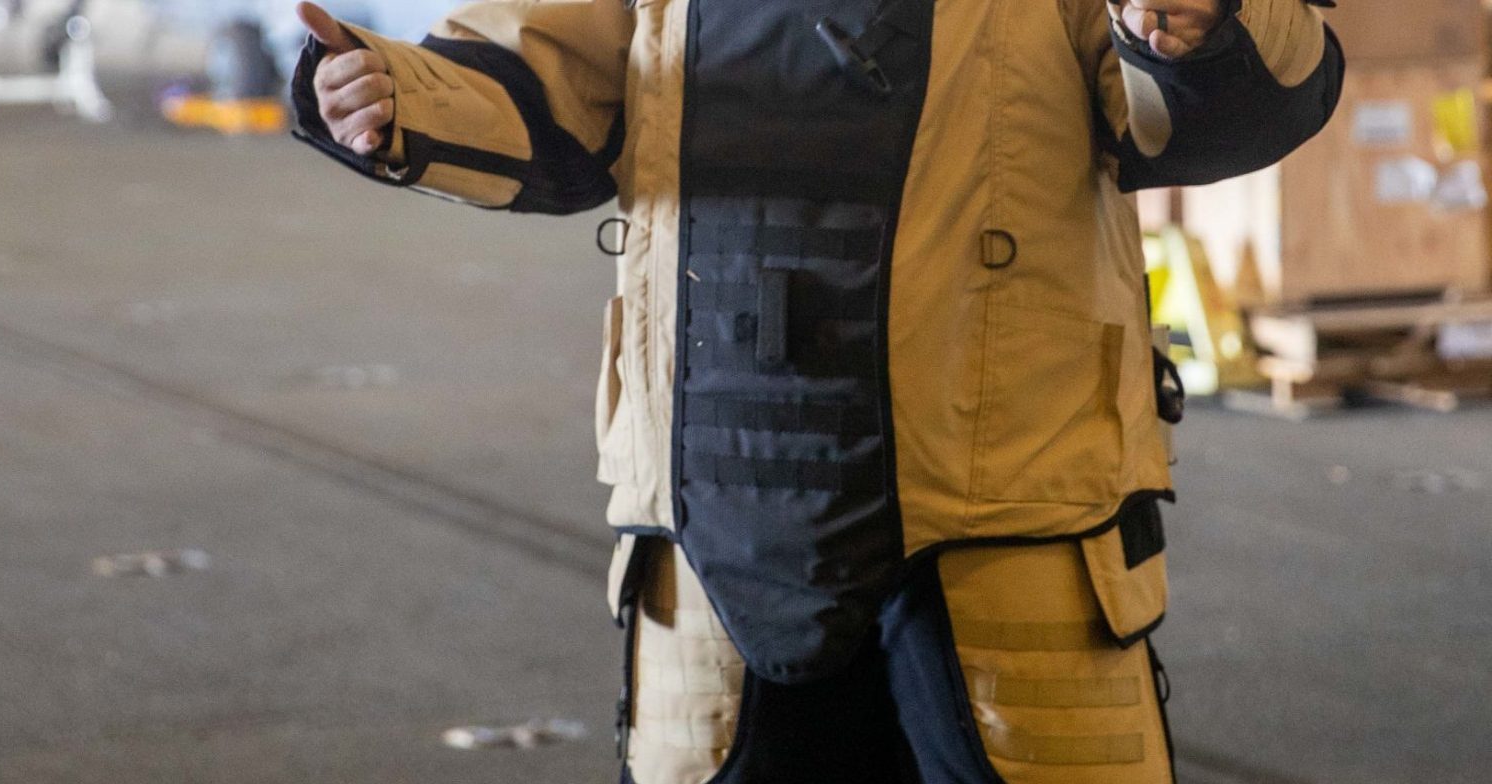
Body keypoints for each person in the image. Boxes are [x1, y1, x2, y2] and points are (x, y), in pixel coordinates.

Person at [289, 0, 1342, 780]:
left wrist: (1197, 31)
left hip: (1005, 517)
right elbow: (540, 88)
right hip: (721, 518)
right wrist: (390, 93)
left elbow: (1203, 111)